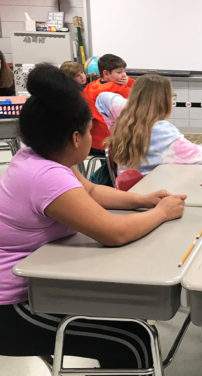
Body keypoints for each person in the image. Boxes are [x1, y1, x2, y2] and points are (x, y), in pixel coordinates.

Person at [0, 64, 186, 368]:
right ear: (76, 137)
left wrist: (144, 200)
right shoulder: (46, 176)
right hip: (13, 308)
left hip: (39, 286)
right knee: (131, 340)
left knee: (128, 315)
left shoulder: (42, 157)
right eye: (90, 131)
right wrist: (162, 213)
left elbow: (92, 192)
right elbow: (113, 233)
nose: (93, 138)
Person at [100, 74, 202, 176]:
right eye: (171, 96)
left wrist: (128, 111)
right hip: (153, 190)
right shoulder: (162, 130)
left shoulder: (125, 121)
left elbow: (102, 98)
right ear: (164, 101)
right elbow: (201, 157)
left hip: (127, 189)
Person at [83, 53, 135, 152]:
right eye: (119, 72)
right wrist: (129, 81)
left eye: (124, 71)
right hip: (114, 142)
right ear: (106, 73)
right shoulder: (119, 88)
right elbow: (141, 91)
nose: (124, 75)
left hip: (92, 142)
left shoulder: (89, 87)